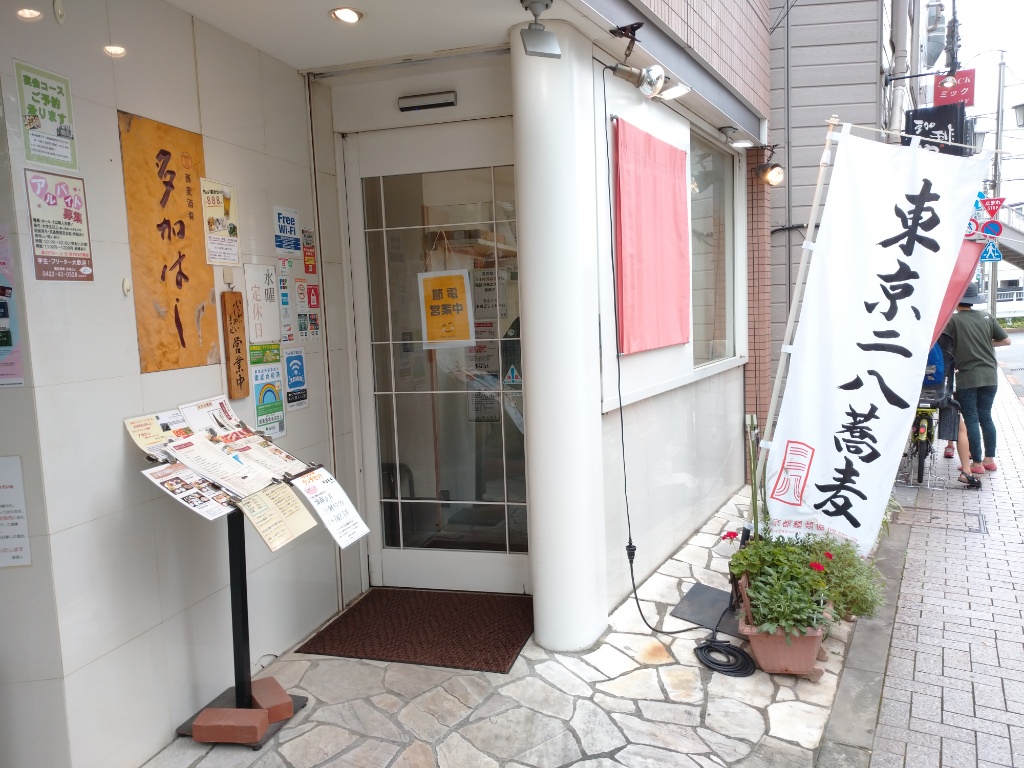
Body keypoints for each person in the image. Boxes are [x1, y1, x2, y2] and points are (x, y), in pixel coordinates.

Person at [944, 283, 1011, 479]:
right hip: (990, 376)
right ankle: (989, 459)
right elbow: (1006, 340)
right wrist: (984, 342)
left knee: (971, 419)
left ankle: (977, 463)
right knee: (986, 417)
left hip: (967, 377)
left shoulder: (953, 320)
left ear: (958, 300)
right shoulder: (986, 317)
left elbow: (944, 346)